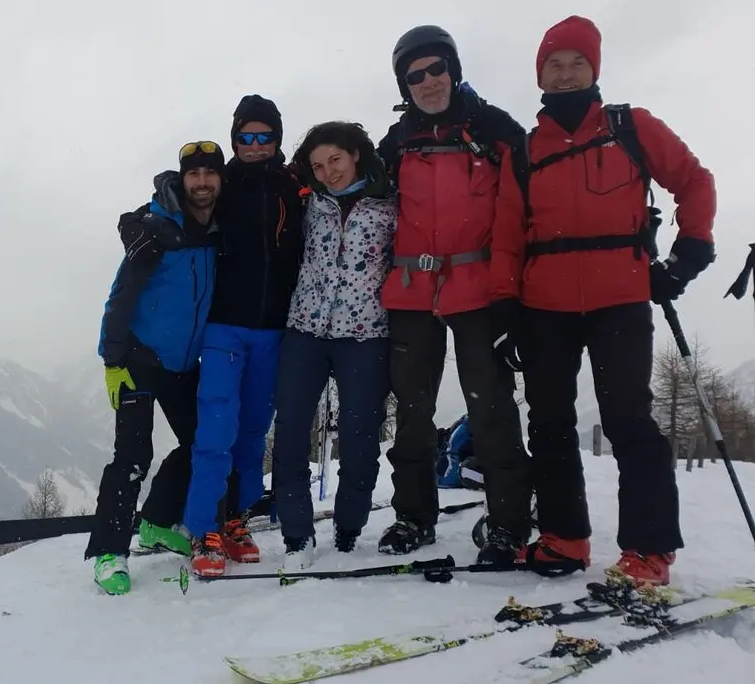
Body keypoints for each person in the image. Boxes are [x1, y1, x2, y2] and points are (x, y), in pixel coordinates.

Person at [489, 15, 716, 587]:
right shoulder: (523, 150)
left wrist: (688, 253)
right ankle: (565, 537)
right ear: (539, 74)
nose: (565, 75)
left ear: (595, 70)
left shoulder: (630, 128)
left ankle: (648, 548)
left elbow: (694, 180)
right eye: (553, 65)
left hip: (620, 296)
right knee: (549, 424)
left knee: (627, 420)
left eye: (576, 64)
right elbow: (508, 232)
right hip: (544, 305)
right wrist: (505, 305)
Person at [376, 25, 533, 564]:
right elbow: (348, 190)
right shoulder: (395, 143)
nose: (428, 81)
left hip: (481, 291)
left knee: (490, 409)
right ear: (404, 85)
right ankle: (413, 518)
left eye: (436, 68)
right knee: (413, 414)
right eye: (414, 75)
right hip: (411, 292)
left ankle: (510, 521)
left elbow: (534, 202)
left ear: (454, 68)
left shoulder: (495, 130)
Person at [85, 141, 224, 594]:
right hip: (141, 361)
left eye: (210, 174)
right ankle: (109, 552)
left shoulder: (218, 230)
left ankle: (157, 522)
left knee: (202, 442)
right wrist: (112, 360)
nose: (202, 183)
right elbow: (120, 296)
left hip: (186, 363)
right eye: (194, 175)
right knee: (132, 456)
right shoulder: (157, 231)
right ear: (182, 180)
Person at [176, 94, 306, 577]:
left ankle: (236, 518)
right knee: (216, 429)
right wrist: (136, 223)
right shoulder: (221, 184)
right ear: (234, 140)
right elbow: (176, 196)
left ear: (277, 138)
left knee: (253, 429)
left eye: (264, 136)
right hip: (224, 327)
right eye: (245, 136)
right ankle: (202, 525)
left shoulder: (295, 188)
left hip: (274, 329)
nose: (254, 144)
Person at [271, 121, 397, 570]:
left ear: (356, 154)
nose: (328, 173)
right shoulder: (306, 201)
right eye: (318, 165)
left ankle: (348, 528)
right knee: (290, 433)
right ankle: (296, 536)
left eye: (335, 161)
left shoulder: (389, 204)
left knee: (360, 436)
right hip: (304, 330)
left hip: (365, 335)